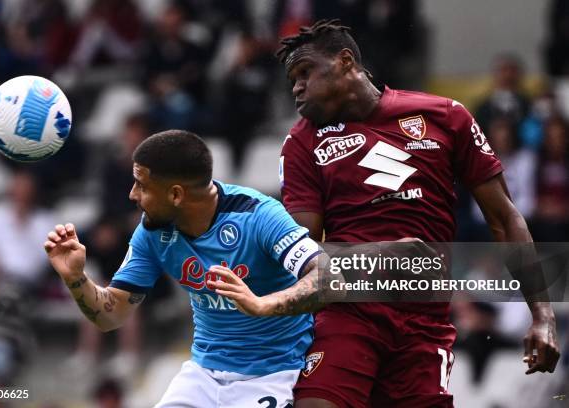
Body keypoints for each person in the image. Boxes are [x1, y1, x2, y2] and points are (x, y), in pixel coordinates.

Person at [208, 19, 560, 408]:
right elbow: (299, 255)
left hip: (425, 321)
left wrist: (542, 314)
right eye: (292, 79)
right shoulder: (301, 143)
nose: (296, 87)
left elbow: (505, 218)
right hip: (347, 312)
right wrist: (381, 254)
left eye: (305, 72)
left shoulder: (445, 115)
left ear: (344, 62)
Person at [43, 130, 319, 407]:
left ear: (176, 194)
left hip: (271, 373)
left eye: (141, 185)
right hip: (202, 375)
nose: (132, 195)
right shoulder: (152, 231)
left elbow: (328, 275)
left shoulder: (258, 216)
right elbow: (110, 316)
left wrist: (263, 305)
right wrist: (76, 278)